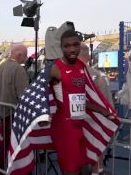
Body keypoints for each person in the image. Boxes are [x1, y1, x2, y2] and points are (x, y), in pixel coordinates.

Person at [48, 30, 113, 175]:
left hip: (80, 127)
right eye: (67, 46)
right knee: (71, 170)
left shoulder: (81, 66)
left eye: (75, 45)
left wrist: (100, 110)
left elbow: (80, 97)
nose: (71, 49)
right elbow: (38, 92)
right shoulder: (55, 68)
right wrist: (43, 112)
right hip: (64, 129)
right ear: (61, 47)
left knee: (83, 168)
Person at [78, 44, 114, 175]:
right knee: (96, 146)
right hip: (94, 120)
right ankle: (96, 171)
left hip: (76, 121)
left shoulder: (67, 73)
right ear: (88, 56)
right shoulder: (97, 75)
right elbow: (107, 102)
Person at [0, 43, 29, 171]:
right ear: (19, 54)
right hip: (13, 114)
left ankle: (1, 169)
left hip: (1, 111)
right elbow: (23, 95)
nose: (25, 59)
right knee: (13, 146)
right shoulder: (18, 69)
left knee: (3, 146)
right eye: (25, 56)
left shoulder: (1, 67)